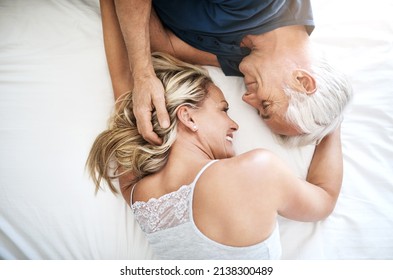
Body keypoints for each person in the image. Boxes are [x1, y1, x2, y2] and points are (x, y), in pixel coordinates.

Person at [87, 53, 343, 259]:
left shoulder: (136, 193)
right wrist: (331, 119)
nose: (234, 124)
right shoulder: (257, 172)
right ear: (188, 117)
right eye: (223, 109)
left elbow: (123, 87)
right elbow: (325, 199)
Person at [99, 0, 352, 147]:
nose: (246, 99)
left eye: (257, 109)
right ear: (302, 81)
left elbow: (165, 44)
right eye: (265, 104)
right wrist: (142, 72)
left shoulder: (249, 61)